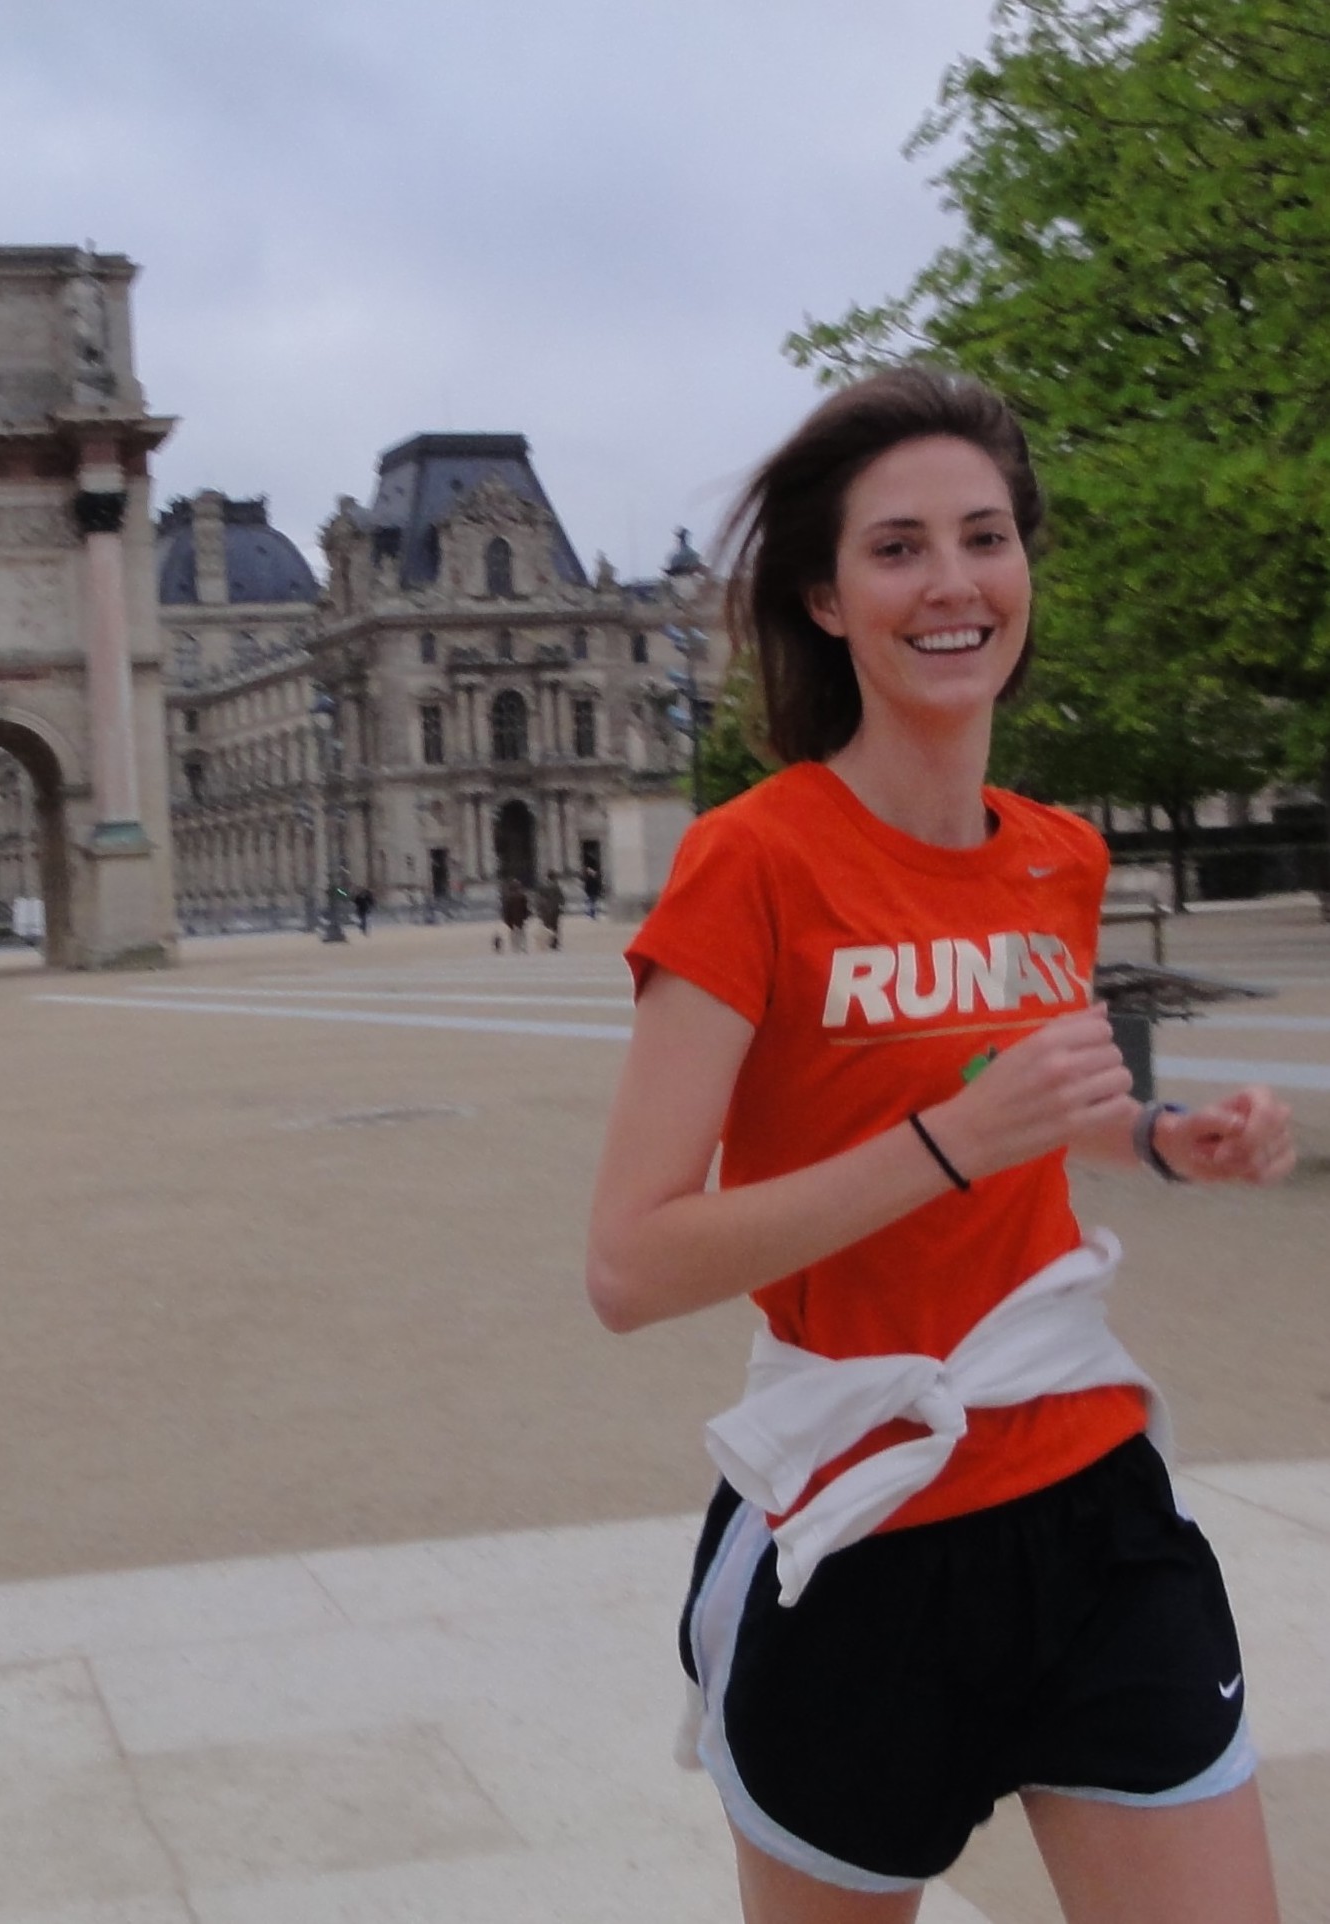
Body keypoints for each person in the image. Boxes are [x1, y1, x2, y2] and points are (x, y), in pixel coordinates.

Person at [585, 367, 1293, 1924]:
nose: (953, 582)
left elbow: (1040, 1116)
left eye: (985, 536)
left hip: (1088, 1495)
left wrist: (1174, 1139)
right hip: (862, 1530)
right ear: (828, 601)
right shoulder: (749, 862)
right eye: (898, 548)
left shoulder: (1059, 858)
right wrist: (947, 1143)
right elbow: (632, 1263)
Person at [499, 875, 530, 953]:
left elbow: (506, 910)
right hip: (520, 918)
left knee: (514, 934)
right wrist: (526, 916)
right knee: (521, 933)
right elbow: (526, 909)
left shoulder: (508, 898)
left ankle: (516, 948)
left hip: (512, 919)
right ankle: (523, 947)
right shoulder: (522, 897)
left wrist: (506, 920)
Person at [535, 871, 564, 950]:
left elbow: (539, 897)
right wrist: (561, 904)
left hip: (545, 908)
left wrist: (538, 908)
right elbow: (561, 897)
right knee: (555, 927)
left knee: (547, 926)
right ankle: (554, 942)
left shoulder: (543, 886)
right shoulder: (556, 886)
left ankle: (548, 941)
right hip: (554, 909)